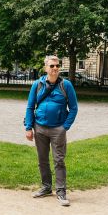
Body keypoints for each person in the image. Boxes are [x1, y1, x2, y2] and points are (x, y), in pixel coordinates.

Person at [24, 55, 79, 206]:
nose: (55, 68)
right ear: (45, 68)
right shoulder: (37, 84)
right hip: (40, 127)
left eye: (57, 66)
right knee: (42, 160)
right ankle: (46, 187)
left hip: (58, 129)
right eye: (52, 66)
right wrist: (29, 127)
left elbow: (74, 108)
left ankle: (61, 192)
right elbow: (30, 106)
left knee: (59, 160)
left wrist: (65, 127)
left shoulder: (66, 85)